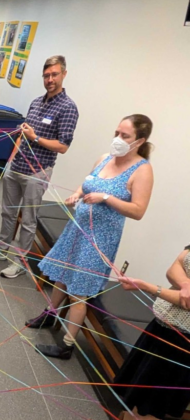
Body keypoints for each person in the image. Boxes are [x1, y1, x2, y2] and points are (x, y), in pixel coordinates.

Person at [28, 115, 153, 360]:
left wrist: (106, 198)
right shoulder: (104, 158)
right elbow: (86, 185)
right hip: (77, 229)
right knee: (62, 274)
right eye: (117, 132)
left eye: (125, 136)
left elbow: (138, 211)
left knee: (78, 291)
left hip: (99, 239)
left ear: (139, 141)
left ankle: (66, 345)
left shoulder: (143, 170)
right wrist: (75, 195)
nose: (118, 139)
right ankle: (50, 314)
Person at [81, 246, 190, 420]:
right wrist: (186, 284)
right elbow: (177, 264)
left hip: (183, 341)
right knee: (140, 392)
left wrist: (146, 286)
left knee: (154, 402)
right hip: (162, 325)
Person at [0, 55, 79, 279]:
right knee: (8, 213)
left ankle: (20, 263)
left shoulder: (68, 108)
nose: (50, 79)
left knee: (29, 221)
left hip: (37, 172)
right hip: (17, 167)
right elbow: (23, 135)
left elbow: (63, 146)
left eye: (54, 74)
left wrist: (36, 137)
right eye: (46, 75)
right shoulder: (36, 102)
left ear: (64, 74)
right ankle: (2, 249)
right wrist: (11, 159)